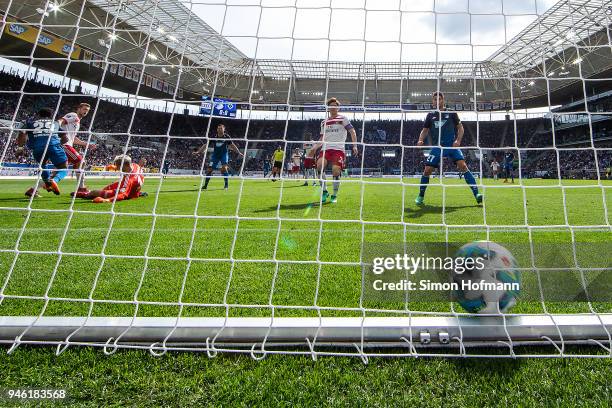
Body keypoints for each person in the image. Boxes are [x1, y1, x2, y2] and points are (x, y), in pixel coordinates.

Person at [415, 92, 482, 205]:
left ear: (443, 101)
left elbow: (460, 128)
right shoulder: (430, 115)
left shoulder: (451, 112)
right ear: (432, 101)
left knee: (463, 165)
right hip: (437, 147)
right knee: (427, 170)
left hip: (451, 145)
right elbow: (425, 130)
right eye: (435, 99)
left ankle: (477, 194)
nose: (437, 101)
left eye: (439, 99)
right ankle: (421, 196)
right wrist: (420, 140)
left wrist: (458, 140)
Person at [308, 97, 358, 203]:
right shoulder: (323, 122)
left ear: (338, 108)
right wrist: (314, 148)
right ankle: (324, 191)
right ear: (328, 108)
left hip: (338, 149)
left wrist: (355, 145)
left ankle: (334, 195)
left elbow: (352, 131)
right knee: (319, 166)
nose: (333, 108)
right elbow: (322, 138)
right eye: (331, 106)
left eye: (335, 106)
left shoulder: (343, 119)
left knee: (336, 171)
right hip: (325, 148)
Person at [17, 108, 68, 197]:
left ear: (38, 115)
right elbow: (65, 137)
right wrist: (58, 144)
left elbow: (22, 134)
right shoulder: (55, 123)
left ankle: (48, 183)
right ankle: (54, 180)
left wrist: (20, 148)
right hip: (53, 145)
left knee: (43, 165)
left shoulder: (29, 122)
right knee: (63, 167)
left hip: (37, 147)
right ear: (50, 115)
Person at [57, 102, 96, 193]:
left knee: (57, 170)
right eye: (84, 109)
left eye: (87, 110)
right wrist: (56, 127)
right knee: (81, 161)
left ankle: (33, 189)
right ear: (78, 109)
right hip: (64, 145)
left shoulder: (77, 122)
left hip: (66, 145)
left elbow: (73, 138)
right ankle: (81, 188)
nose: (86, 112)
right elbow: (60, 121)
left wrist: (86, 144)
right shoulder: (73, 115)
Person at [73, 154, 144, 202]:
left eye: (118, 166)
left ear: (126, 165)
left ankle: (86, 194)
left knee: (95, 192)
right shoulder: (135, 165)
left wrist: (107, 200)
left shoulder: (130, 179)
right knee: (107, 188)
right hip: (130, 187)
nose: (118, 168)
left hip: (129, 193)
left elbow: (123, 195)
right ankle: (90, 194)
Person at [193, 123, 243, 190]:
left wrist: (239, 152)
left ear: (224, 129)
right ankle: (205, 185)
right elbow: (206, 145)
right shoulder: (214, 137)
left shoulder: (227, 137)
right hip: (215, 156)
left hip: (224, 155)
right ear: (217, 129)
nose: (219, 130)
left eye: (221, 128)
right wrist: (198, 152)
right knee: (209, 170)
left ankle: (226, 185)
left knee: (224, 169)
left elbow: (232, 145)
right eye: (218, 128)